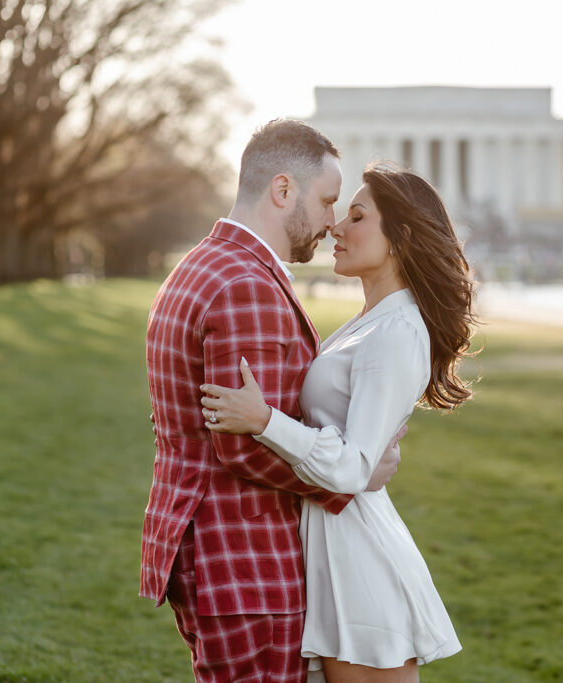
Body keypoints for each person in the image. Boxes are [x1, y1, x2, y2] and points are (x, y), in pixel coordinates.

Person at [142, 119, 403, 683]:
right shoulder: (247, 284)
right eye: (328, 201)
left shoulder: (202, 265)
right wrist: (349, 476)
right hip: (243, 555)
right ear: (283, 191)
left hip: (211, 549)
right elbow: (243, 447)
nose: (333, 220)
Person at [199, 162, 477, 682]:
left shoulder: (396, 331)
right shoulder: (371, 322)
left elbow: (351, 468)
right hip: (332, 545)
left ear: (400, 238)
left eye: (356, 217)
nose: (335, 228)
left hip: (358, 560)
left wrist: (264, 421)